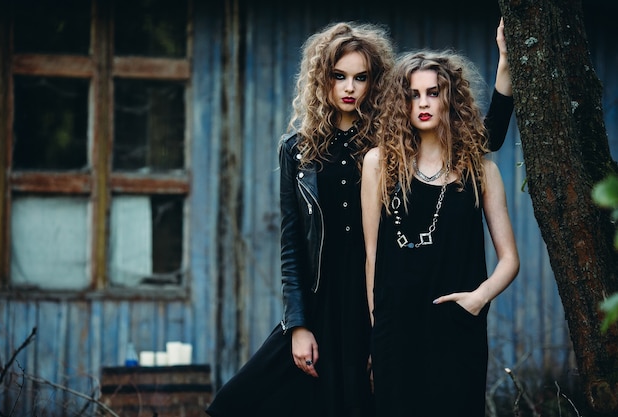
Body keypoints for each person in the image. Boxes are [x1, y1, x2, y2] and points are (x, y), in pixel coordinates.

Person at [206, 20, 512, 417]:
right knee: (237, 402)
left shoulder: (391, 139)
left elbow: (479, 139)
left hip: (376, 294)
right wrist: (298, 324)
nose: (349, 87)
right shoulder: (297, 150)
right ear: (322, 79)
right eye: (339, 76)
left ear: (376, 82)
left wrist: (505, 65)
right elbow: (292, 242)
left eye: (361, 77)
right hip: (322, 297)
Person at [360, 46, 520, 417]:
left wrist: (478, 299)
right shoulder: (378, 164)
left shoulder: (481, 170)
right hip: (395, 329)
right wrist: (376, 329)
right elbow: (372, 255)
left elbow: (510, 259)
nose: (424, 103)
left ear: (451, 97)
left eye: (433, 92)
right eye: (413, 95)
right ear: (401, 103)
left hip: (457, 326)